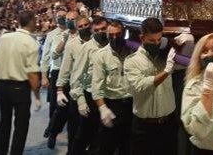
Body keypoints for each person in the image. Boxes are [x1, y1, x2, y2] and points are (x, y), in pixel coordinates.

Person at [0, 10, 42, 155]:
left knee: (4, 122)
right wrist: (37, 96)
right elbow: (32, 74)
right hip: (20, 88)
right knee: (21, 126)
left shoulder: (4, 38)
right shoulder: (31, 43)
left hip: (3, 87)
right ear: (30, 22)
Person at [123, 17, 177, 155]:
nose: (156, 43)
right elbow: (140, 86)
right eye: (152, 41)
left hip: (167, 124)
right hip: (144, 127)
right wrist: (166, 71)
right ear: (142, 37)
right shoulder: (132, 61)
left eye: (159, 40)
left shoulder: (166, 56)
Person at [69, 16, 110, 155]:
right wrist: (80, 101)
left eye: (103, 29)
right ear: (92, 30)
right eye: (97, 30)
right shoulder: (87, 48)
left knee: (101, 138)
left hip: (108, 97)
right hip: (91, 97)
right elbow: (76, 76)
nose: (100, 32)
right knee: (83, 136)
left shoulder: (113, 45)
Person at [91, 20, 133, 155]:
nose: (115, 38)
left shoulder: (133, 52)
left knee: (127, 146)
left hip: (132, 105)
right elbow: (97, 86)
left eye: (118, 34)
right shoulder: (101, 55)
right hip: (113, 105)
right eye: (111, 35)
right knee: (106, 146)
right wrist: (103, 108)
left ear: (124, 33)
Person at [55, 14, 90, 152]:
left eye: (86, 25)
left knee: (89, 130)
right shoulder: (71, 45)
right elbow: (65, 69)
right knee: (74, 129)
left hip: (92, 91)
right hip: (76, 91)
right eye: (80, 26)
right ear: (77, 28)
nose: (84, 28)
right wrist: (59, 90)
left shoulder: (97, 43)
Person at [40, 9, 67, 140]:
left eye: (63, 15)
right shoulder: (51, 35)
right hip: (56, 72)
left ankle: (54, 128)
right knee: (54, 105)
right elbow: (45, 57)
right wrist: (44, 76)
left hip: (71, 73)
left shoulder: (74, 33)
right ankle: (52, 131)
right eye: (59, 16)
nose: (61, 18)